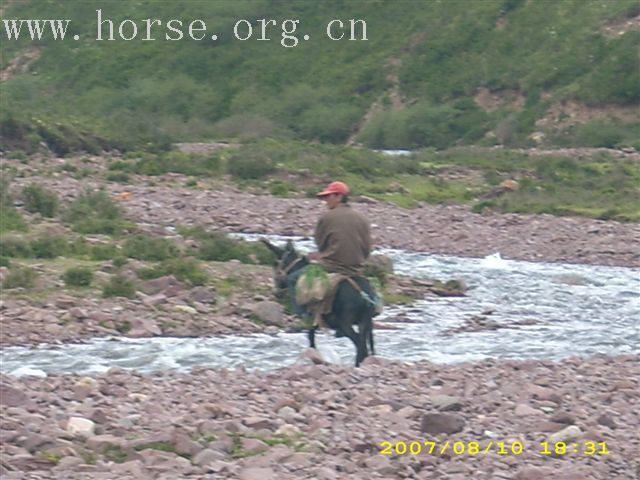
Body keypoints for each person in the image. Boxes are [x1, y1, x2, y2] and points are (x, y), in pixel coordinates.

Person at [308, 181, 372, 276]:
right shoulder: (363, 218)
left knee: (292, 279)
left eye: (328, 196)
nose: (325, 200)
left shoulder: (326, 217)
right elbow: (367, 248)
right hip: (356, 270)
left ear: (339, 197)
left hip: (331, 266)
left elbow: (320, 243)